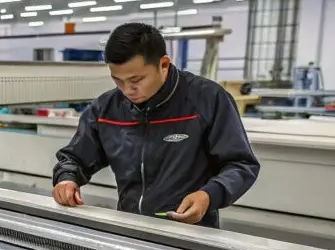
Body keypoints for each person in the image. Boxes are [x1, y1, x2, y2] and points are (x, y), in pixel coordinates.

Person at [52, 22, 259, 228]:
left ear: (164, 64)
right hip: (130, 229)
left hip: (191, 233)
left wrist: (209, 195)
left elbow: (240, 164)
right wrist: (67, 179)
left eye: (136, 79)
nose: (127, 90)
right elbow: (75, 158)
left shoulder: (207, 100)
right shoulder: (106, 109)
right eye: (118, 80)